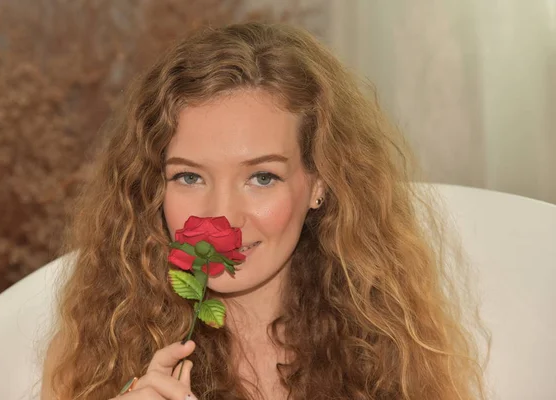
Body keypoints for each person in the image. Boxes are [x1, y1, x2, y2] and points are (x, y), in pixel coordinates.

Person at [41, 22, 487, 400]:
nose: (222, 218)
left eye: (262, 178)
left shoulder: (387, 344)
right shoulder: (105, 347)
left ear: (320, 182)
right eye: (189, 177)